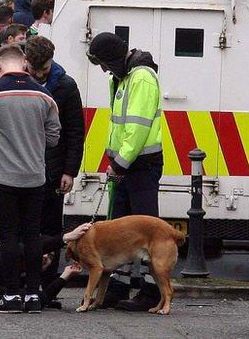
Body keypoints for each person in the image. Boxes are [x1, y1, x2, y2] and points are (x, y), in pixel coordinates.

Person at [0, 44, 60, 314]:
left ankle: (11, 295)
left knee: (8, 236)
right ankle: (33, 294)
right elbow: (54, 138)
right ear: (25, 64)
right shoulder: (45, 96)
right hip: (35, 176)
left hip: (1, 177)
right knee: (32, 235)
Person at [86, 32, 164, 312]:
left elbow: (138, 127)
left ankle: (151, 292)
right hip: (129, 165)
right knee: (120, 231)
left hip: (140, 165)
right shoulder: (122, 78)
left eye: (104, 64)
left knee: (145, 231)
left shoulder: (141, 77)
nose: (104, 70)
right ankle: (116, 288)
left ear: (115, 58)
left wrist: (119, 163)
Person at [24, 36, 84, 287]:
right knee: (22, 229)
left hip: (52, 170)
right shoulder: (17, 82)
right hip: (23, 167)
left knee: (51, 231)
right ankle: (22, 280)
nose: (38, 75)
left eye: (44, 70)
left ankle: (48, 284)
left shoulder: (66, 86)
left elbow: (75, 132)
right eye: (34, 70)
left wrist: (70, 171)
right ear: (26, 61)